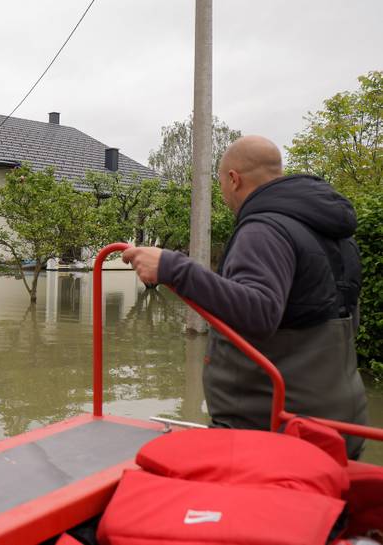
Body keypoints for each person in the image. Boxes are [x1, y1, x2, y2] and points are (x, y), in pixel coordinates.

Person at [122, 135, 368, 458]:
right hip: (338, 421)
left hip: (275, 433)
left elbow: (260, 313)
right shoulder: (333, 233)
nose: (223, 194)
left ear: (234, 180)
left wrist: (172, 267)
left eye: (222, 184)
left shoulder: (263, 229)